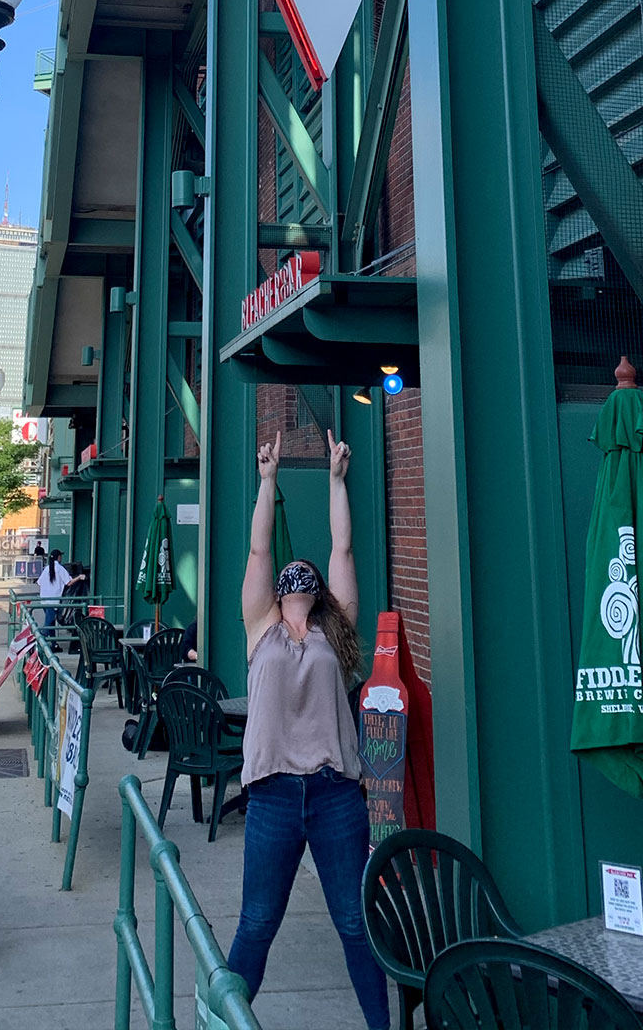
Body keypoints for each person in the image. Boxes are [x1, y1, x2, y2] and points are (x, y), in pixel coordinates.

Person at [226, 433, 385, 1030]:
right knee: (257, 922)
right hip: (270, 795)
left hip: (334, 793)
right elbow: (258, 550)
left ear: (314, 590)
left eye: (307, 575)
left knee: (353, 921)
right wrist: (267, 480)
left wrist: (336, 480)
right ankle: (225, 1020)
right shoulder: (260, 627)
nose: (296, 575)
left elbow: (343, 548)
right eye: (288, 576)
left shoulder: (332, 635)